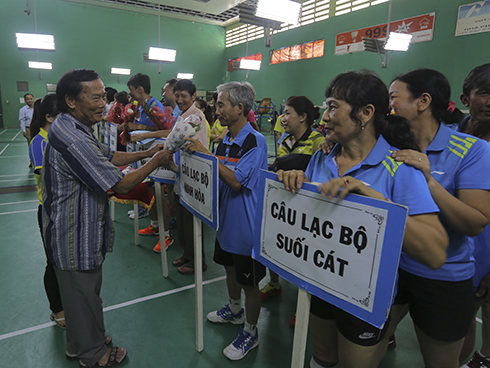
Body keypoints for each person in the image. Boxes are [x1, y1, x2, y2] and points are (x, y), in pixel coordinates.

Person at [279, 70, 448, 368]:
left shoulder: (399, 167)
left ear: (366, 113)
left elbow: (434, 253)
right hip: (320, 282)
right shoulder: (322, 157)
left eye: (333, 107)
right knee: (322, 357)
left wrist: (378, 202)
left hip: (365, 299)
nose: (325, 116)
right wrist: (296, 184)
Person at [42, 69, 173, 368]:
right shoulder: (72, 138)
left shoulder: (71, 125)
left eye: (105, 96)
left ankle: (80, 345)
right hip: (74, 233)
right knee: (84, 296)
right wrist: (157, 160)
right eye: (97, 97)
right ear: (71, 101)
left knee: (79, 299)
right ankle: (93, 356)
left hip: (72, 229)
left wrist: (145, 153)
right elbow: (120, 185)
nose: (105, 103)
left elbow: (108, 156)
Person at [386, 68, 490, 368]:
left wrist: (428, 181)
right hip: (393, 268)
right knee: (372, 342)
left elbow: (476, 222)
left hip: (441, 276)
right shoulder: (391, 142)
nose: (388, 106)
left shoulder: (471, 150)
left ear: (423, 102)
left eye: (394, 98)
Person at [183, 81, 268, 360]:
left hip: (246, 228)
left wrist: (206, 154)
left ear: (239, 108)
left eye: (221, 104)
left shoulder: (254, 141)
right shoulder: (227, 139)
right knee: (229, 271)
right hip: (225, 224)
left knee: (249, 282)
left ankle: (252, 331)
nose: (216, 109)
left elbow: (234, 182)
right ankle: (234, 311)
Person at [261, 96, 324, 313]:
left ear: (303, 117)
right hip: (282, 206)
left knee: (302, 255)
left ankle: (303, 306)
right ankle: (275, 284)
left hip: (306, 212)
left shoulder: (318, 141)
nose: (283, 118)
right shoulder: (284, 141)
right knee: (275, 245)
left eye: (288, 113)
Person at [457, 63, 490, 368]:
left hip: (484, 257)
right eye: (484, 93)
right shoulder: (448, 138)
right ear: (466, 98)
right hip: (445, 251)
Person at [28, 94, 65, 328]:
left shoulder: (59, 139)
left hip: (65, 209)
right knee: (52, 263)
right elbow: (50, 177)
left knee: (64, 262)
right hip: (50, 211)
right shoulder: (38, 143)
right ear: (49, 117)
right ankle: (57, 310)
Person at [169, 78, 209, 271]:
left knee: (192, 223)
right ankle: (187, 255)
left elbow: (199, 149)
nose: (179, 100)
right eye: (177, 96)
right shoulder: (183, 116)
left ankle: (198, 262)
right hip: (181, 174)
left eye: (184, 96)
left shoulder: (196, 117)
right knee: (182, 221)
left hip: (193, 176)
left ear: (193, 96)